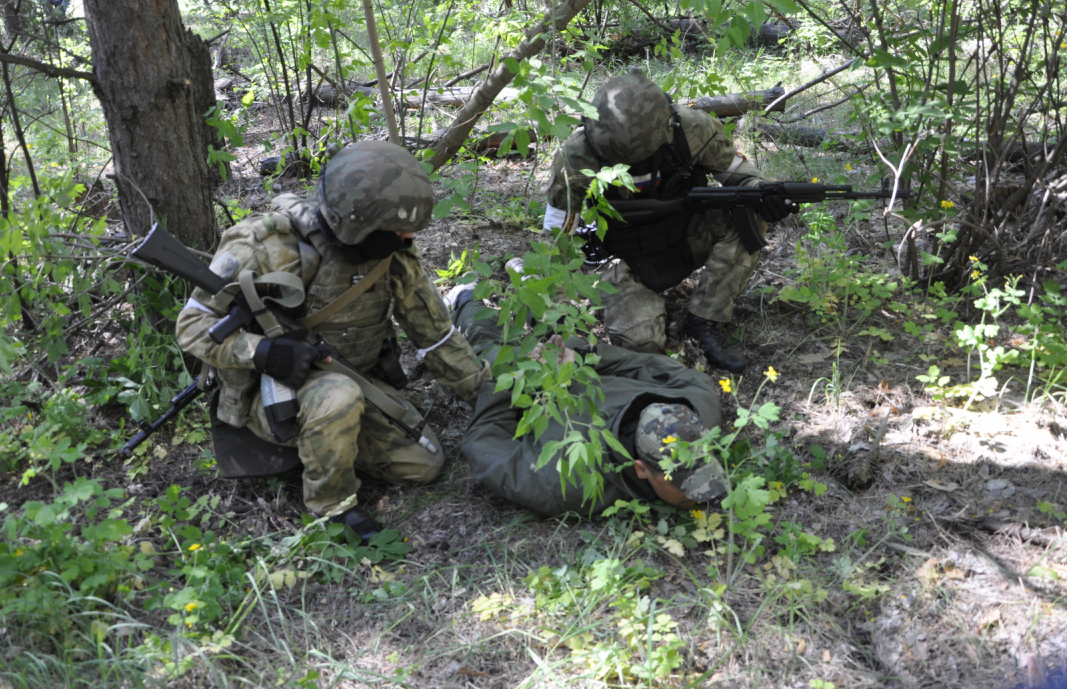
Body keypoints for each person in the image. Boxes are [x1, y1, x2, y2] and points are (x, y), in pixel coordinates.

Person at [176, 142, 490, 540]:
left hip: (349, 378)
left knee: (422, 464)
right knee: (337, 396)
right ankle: (333, 509)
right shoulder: (264, 246)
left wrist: (483, 391)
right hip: (271, 390)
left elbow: (435, 333)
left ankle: (323, 442)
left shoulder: (392, 252)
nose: (408, 236)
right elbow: (190, 327)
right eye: (397, 229)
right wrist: (264, 352)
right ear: (357, 221)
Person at [543, 70, 797, 373]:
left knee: (747, 211)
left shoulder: (691, 129)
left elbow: (736, 173)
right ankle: (633, 304)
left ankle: (704, 321)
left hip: (684, 234)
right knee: (641, 346)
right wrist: (553, 314)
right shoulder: (576, 157)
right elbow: (556, 237)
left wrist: (762, 193)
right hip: (617, 258)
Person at [447, 285, 727, 517]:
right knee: (560, 325)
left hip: (524, 392)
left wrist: (511, 384)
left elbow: (483, 443)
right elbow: (651, 366)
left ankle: (465, 298)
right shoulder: (699, 403)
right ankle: (522, 285)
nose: (702, 492)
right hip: (574, 365)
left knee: (489, 351)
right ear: (642, 469)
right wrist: (579, 358)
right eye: (683, 482)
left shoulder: (563, 484)